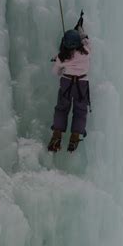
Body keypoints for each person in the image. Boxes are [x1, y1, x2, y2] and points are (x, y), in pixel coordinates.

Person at [48, 11, 91, 153]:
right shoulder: (86, 50)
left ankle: (57, 136)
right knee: (80, 111)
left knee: (62, 109)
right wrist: (79, 27)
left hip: (66, 84)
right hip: (81, 84)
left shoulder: (62, 57)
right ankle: (74, 137)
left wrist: (60, 66)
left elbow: (55, 72)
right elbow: (85, 38)